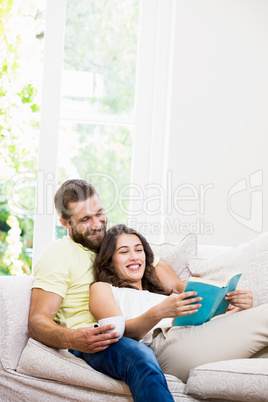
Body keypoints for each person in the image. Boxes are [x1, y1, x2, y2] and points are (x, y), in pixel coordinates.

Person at [28, 179, 182, 402]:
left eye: (99, 213)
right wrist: (74, 339)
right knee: (140, 359)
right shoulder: (59, 253)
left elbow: (162, 273)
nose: (97, 224)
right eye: (85, 219)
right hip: (95, 338)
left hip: (136, 327)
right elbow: (37, 321)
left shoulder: (113, 243)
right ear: (65, 223)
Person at [90, 224, 268, 383]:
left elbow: (209, 329)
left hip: (193, 338)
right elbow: (114, 333)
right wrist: (159, 312)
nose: (134, 257)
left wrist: (240, 308)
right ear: (109, 260)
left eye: (139, 250)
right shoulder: (104, 288)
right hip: (163, 347)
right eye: (123, 252)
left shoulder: (159, 294)